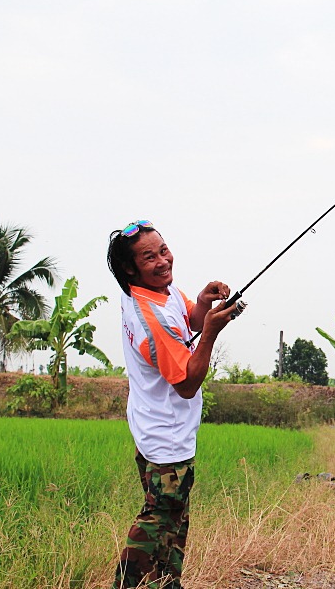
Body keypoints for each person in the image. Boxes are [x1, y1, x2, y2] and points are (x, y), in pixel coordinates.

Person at [107, 220, 240, 589]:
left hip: (153, 428)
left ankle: (165, 583)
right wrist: (211, 334)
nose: (163, 261)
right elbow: (186, 382)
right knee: (159, 519)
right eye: (149, 257)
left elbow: (189, 321)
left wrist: (202, 304)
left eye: (163, 250)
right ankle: (126, 583)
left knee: (174, 518)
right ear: (131, 268)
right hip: (166, 438)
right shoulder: (150, 318)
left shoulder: (152, 292)